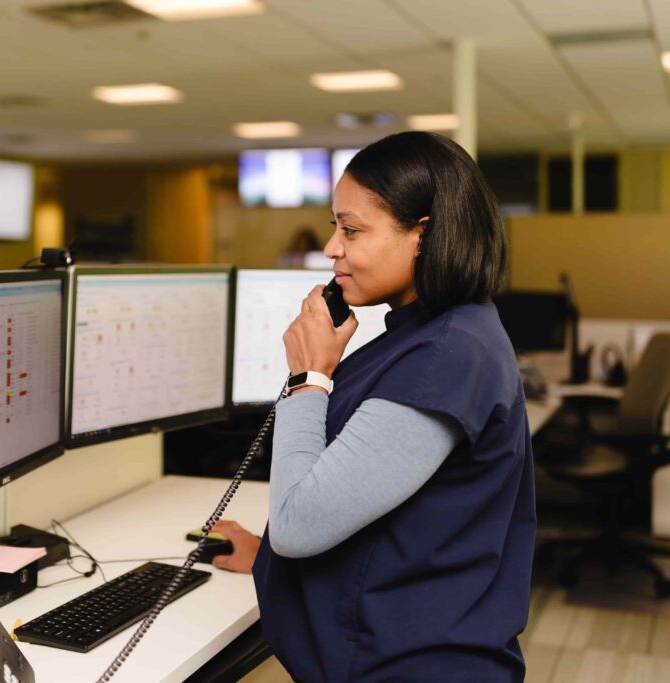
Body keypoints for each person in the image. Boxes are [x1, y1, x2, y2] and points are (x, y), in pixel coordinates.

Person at [211, 131, 535, 682]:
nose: (333, 247)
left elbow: (298, 525)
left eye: (352, 229)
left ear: (423, 236)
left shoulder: (446, 358)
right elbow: (372, 500)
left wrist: (310, 376)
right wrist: (270, 558)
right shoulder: (434, 335)